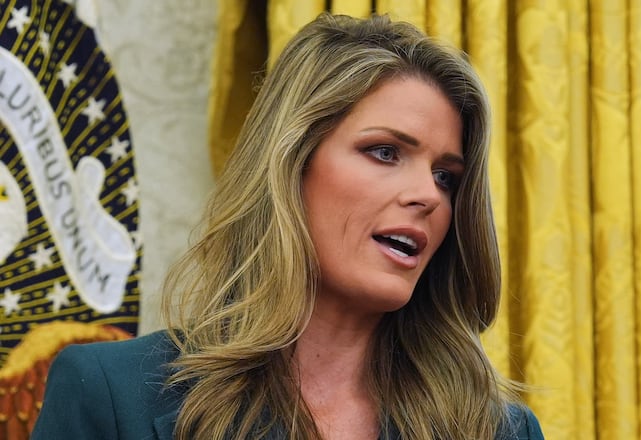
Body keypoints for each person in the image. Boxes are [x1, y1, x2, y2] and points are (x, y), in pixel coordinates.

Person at [32, 12, 544, 440]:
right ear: (290, 165)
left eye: (445, 177)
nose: (429, 196)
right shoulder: (108, 394)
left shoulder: (500, 430)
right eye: (385, 152)